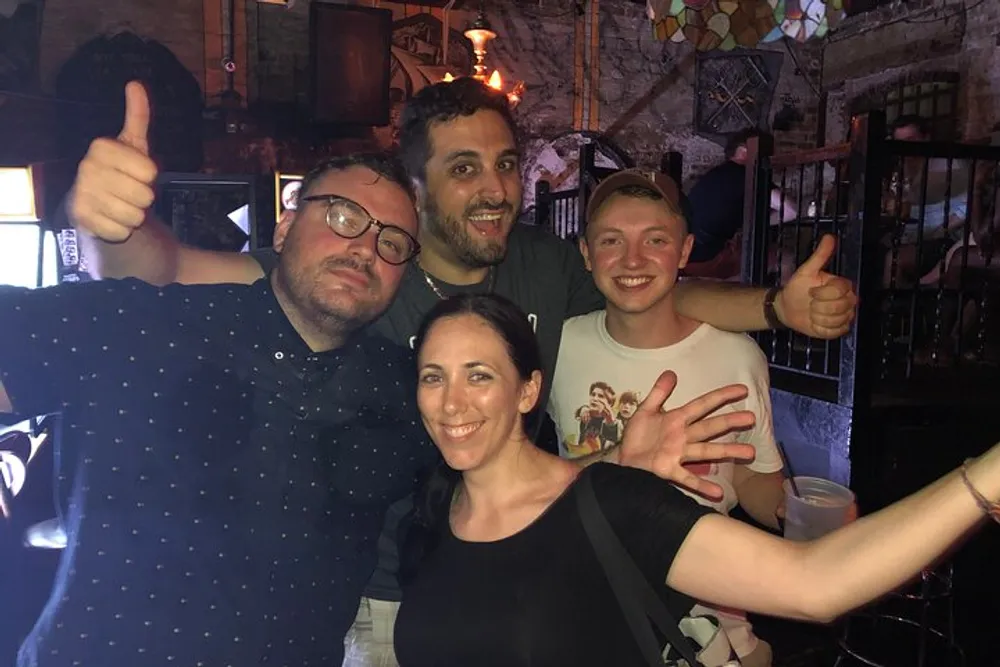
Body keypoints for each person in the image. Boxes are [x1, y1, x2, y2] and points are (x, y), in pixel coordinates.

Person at [64, 78, 857, 665]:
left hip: (521, 580)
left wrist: (774, 310)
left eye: (507, 165)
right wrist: (113, 227)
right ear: (418, 188)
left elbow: (652, 291)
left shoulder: (545, 264)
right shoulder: (356, 269)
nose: (497, 190)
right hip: (382, 595)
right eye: (465, 169)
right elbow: (169, 269)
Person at [394, 292, 1000, 667]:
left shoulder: (615, 502)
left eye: (478, 376)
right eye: (432, 377)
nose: (450, 404)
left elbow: (816, 584)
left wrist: (984, 480)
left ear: (528, 390)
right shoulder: (433, 505)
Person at [548, 169, 784, 666]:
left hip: (711, 621)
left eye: (655, 240)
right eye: (612, 241)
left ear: (684, 250)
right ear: (587, 255)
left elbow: (753, 475)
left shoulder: (738, 358)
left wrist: (803, 518)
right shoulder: (558, 346)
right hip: (591, 610)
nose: (633, 259)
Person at [684, 128, 798, 280]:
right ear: (745, 151)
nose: (770, 159)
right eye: (767, 154)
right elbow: (791, 210)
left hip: (687, 255)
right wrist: (758, 224)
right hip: (710, 258)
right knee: (785, 258)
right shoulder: (747, 175)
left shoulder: (714, 176)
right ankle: (778, 302)